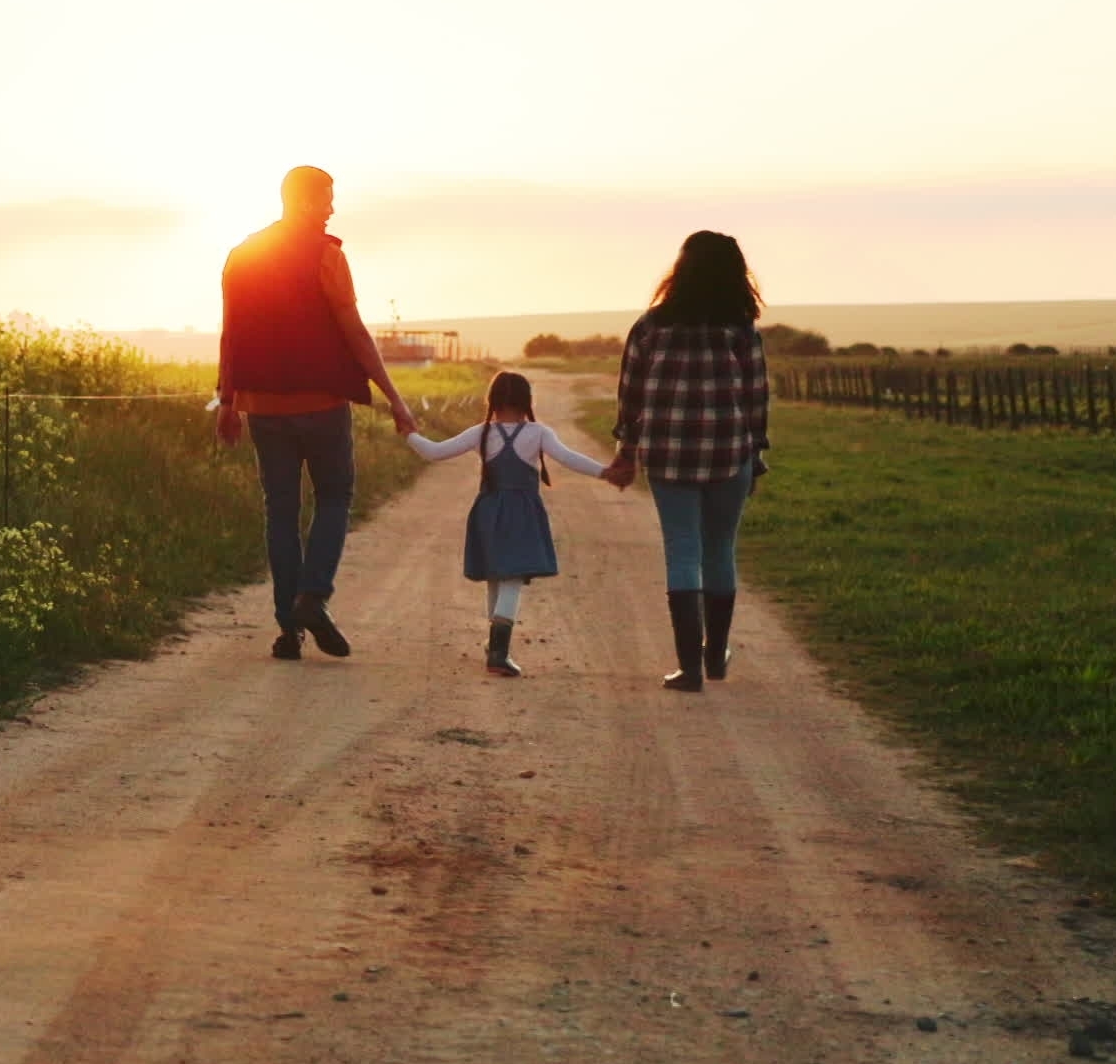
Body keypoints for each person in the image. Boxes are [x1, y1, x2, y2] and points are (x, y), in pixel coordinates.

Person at [216, 166, 419, 660]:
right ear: (304, 202)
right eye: (326, 199)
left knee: (280, 514)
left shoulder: (241, 256)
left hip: (262, 406)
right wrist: (393, 396)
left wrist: (227, 401)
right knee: (335, 496)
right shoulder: (326, 255)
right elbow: (353, 330)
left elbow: (231, 333)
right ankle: (313, 596)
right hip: (322, 404)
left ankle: (290, 631)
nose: (331, 208)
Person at [600, 231, 771, 693]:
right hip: (728, 452)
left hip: (668, 454)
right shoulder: (740, 328)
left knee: (682, 551)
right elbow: (757, 399)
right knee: (720, 551)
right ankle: (715, 655)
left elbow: (630, 396)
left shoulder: (651, 326)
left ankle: (688, 669)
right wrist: (754, 457)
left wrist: (626, 452)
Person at [396, 371, 613, 677]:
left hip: (487, 510)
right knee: (512, 577)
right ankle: (498, 651)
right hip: (522, 511)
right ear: (527, 402)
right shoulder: (537, 433)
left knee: (496, 575)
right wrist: (606, 472)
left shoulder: (481, 433)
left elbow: (434, 452)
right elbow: (568, 458)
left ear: (492, 401)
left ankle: (494, 644)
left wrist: (408, 434)